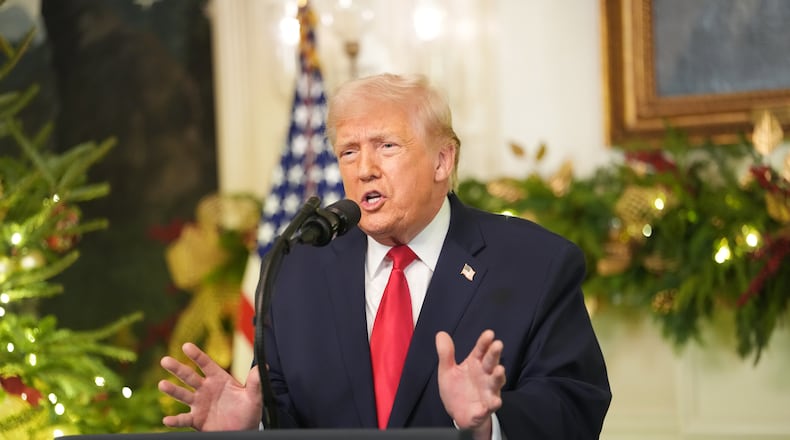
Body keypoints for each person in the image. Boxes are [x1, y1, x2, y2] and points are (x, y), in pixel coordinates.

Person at [159, 73, 611, 439]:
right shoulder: (299, 269)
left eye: (386, 146)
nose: (364, 169)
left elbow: (576, 405)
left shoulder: (535, 262)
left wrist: (488, 424)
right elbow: (288, 412)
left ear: (442, 161)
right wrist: (251, 428)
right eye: (349, 152)